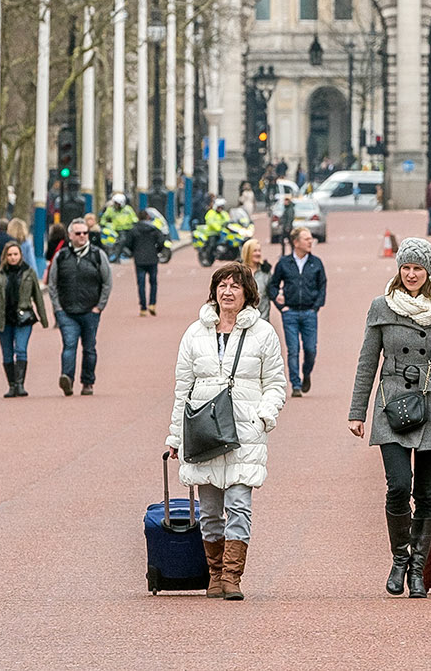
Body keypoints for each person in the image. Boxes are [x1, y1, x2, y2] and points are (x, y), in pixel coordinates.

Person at [348, 237, 431, 599]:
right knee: (398, 486)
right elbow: (368, 362)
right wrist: (357, 411)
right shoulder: (381, 307)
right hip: (393, 404)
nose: (411, 274)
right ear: (399, 269)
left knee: (427, 495)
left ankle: (417, 571)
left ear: (428, 271)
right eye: (406, 267)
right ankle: (400, 558)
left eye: (418, 268)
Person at [168, 260, 287, 600]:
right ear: (214, 291)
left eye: (235, 286)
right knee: (208, 512)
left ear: (247, 292)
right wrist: (175, 436)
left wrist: (263, 417)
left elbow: (276, 384)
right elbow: (182, 389)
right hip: (204, 433)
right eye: (222, 286)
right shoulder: (195, 333)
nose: (227, 292)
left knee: (238, 504)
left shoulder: (263, 333)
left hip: (243, 434)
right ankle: (215, 573)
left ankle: (232, 577)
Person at [48, 217, 111, 396]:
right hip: (67, 311)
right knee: (69, 344)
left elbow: (107, 282)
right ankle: (67, 378)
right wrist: (57, 308)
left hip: (90, 311)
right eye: (78, 233)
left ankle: (87, 382)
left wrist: (99, 306)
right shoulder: (61, 256)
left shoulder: (98, 255)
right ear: (70, 235)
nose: (82, 236)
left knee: (89, 348)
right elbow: (52, 284)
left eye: (85, 233)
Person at [0, 240, 49, 397]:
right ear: (5, 257)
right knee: (7, 353)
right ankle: (11, 385)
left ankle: (20, 384)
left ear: (21, 255)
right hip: (3, 318)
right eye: (10, 255)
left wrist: (43, 318)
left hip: (23, 317)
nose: (13, 257)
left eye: (16, 254)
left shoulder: (29, 272)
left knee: (20, 349)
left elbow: (37, 296)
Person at [268, 225, 326, 396]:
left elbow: (322, 285)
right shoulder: (284, 263)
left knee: (310, 349)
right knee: (293, 350)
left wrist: (316, 307)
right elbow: (272, 286)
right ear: (296, 242)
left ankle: (306, 373)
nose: (310, 242)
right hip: (290, 313)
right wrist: (281, 307)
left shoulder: (316, 263)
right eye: (306, 239)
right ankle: (296, 385)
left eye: (310, 239)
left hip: (309, 313)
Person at [125, 208, 169, 316]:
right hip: (152, 258)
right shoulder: (154, 229)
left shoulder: (134, 230)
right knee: (153, 282)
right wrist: (156, 250)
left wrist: (134, 252)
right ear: (148, 217)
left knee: (141, 284)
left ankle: (143, 307)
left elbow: (128, 243)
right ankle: (152, 304)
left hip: (139, 259)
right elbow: (162, 241)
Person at [241, 238, 273, 320]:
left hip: (263, 318)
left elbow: (272, 290)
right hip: (242, 318)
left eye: (259, 251)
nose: (258, 253)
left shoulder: (265, 271)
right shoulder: (239, 271)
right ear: (247, 252)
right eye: (255, 251)